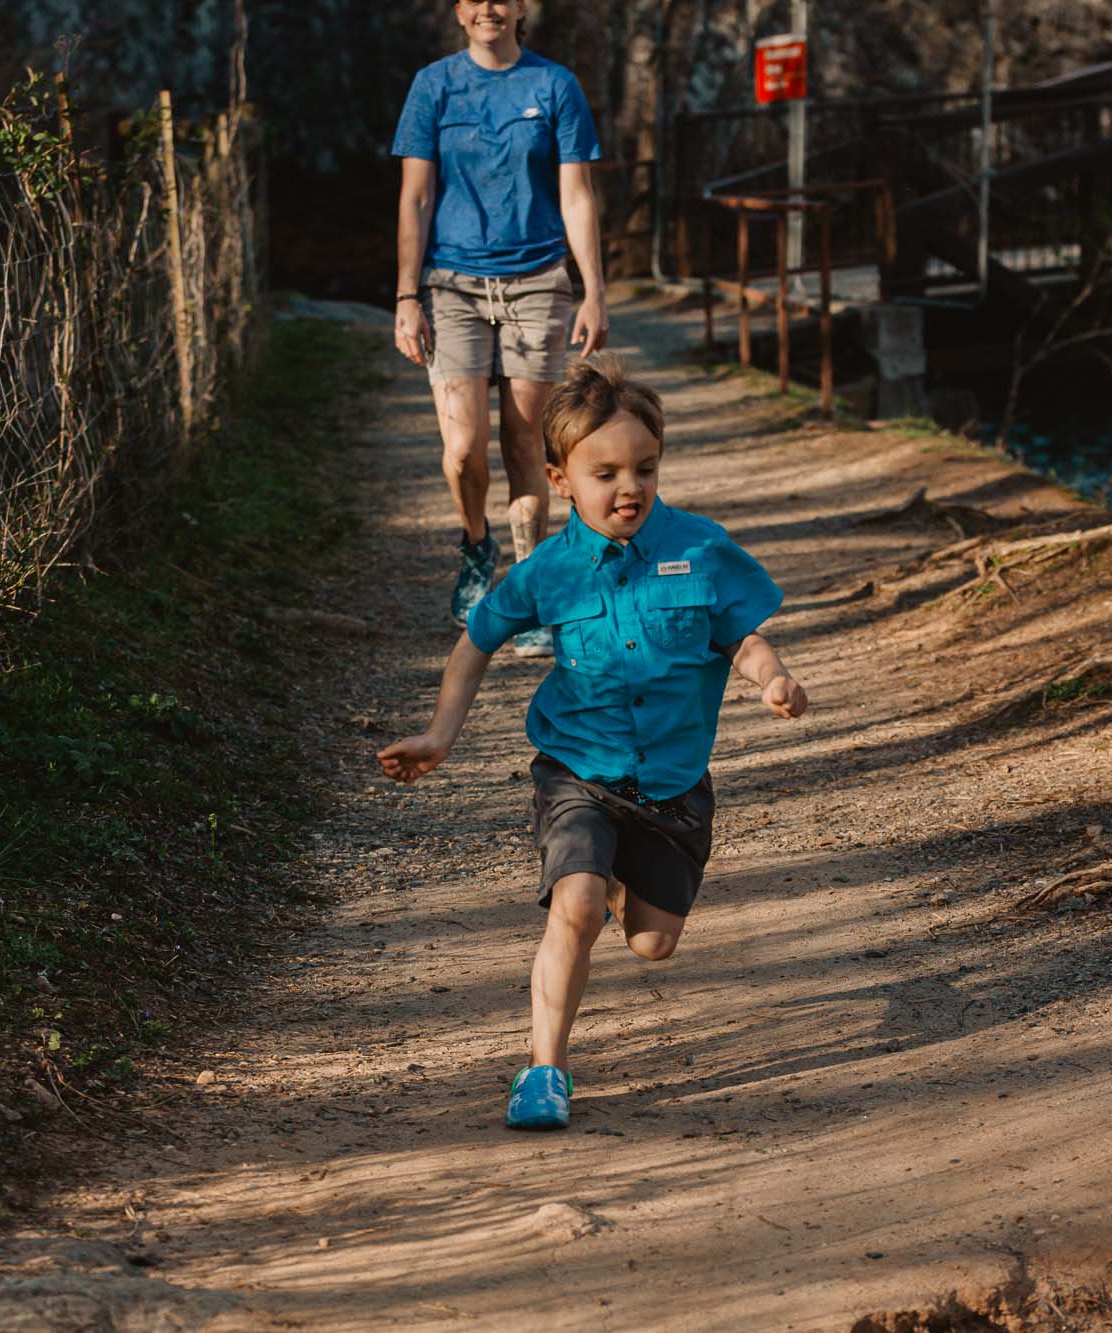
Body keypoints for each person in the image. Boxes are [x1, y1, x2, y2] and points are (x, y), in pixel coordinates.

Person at [375, 358, 809, 1130]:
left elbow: (742, 636)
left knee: (650, 942)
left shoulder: (700, 549)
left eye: (644, 468)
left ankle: (611, 877)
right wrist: (441, 735)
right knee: (573, 907)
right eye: (605, 472)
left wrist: (770, 676)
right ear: (560, 478)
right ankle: (544, 1071)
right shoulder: (550, 569)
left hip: (673, 784)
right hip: (577, 770)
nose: (629, 487)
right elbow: (477, 640)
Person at [392, 0, 610, 654]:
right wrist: (407, 294)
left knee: (525, 445)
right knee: (462, 450)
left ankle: (530, 589)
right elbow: (416, 196)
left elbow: (576, 196)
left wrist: (594, 290)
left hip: (538, 284)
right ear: (460, 11)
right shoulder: (434, 85)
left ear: (521, 10)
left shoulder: (554, 85)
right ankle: (475, 546)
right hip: (451, 285)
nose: (489, 6)